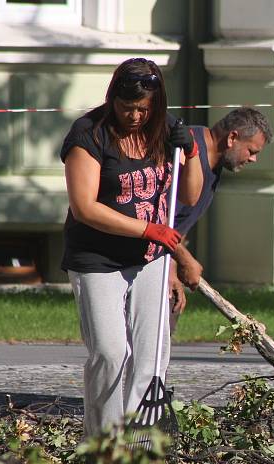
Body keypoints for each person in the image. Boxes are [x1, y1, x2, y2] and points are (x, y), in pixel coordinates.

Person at [60, 57, 204, 437]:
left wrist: (190, 155)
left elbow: (189, 195)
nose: (135, 116)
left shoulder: (165, 129)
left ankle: (139, 451)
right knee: (110, 353)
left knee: (151, 356)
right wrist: (147, 230)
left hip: (150, 260)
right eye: (127, 108)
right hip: (97, 258)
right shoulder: (89, 135)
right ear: (113, 100)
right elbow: (85, 207)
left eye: (144, 108)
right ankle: (104, 446)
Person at [163, 107, 274, 317]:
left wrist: (171, 264)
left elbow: (179, 221)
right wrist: (185, 259)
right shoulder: (185, 151)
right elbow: (154, 216)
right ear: (232, 138)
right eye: (252, 151)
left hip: (160, 259)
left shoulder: (215, 162)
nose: (253, 160)